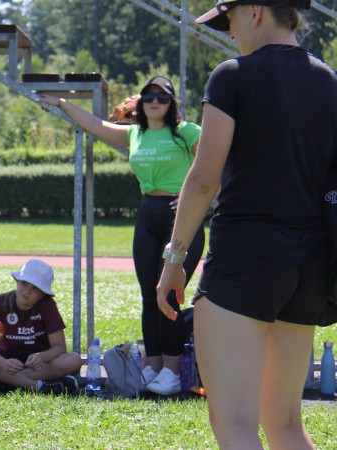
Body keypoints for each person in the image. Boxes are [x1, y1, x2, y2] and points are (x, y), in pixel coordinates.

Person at [157, 1, 337, 448]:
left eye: (230, 20)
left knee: (235, 426)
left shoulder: (233, 75)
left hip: (246, 261)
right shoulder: (328, 80)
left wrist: (174, 259)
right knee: (286, 425)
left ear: (254, 11)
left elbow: (202, 181)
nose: (230, 33)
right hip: (309, 268)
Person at [39, 76, 204, 396]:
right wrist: (63, 104)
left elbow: (218, 162)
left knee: (168, 293)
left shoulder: (187, 132)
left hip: (181, 218)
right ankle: (152, 367)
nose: (155, 101)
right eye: (149, 96)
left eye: (163, 97)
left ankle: (171, 372)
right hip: (147, 214)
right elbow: (96, 125)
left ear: (172, 104)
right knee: (147, 295)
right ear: (140, 102)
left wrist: (203, 198)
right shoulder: (135, 133)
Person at [0, 259, 82, 395]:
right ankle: (40, 387)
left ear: (42, 294)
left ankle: (4, 384)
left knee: (74, 359)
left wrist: (42, 357)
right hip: (6, 363)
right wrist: (3, 363)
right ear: (17, 281)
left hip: (38, 366)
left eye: (35, 288)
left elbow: (59, 347)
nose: (27, 290)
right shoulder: (0, 302)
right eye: (24, 283)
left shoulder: (47, 305)